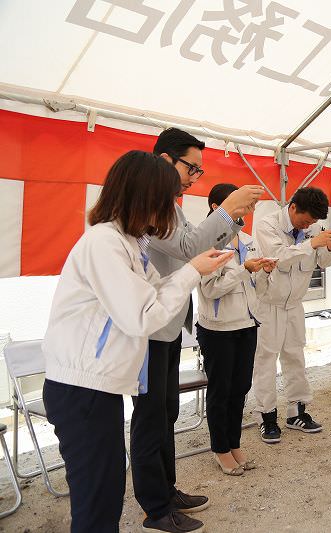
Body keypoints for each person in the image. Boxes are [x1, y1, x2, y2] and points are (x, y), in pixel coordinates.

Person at [42, 151, 232, 533]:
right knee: (98, 499)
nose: (167, 212)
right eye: (163, 202)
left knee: (107, 490)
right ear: (142, 197)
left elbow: (156, 292)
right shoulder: (104, 243)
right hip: (81, 388)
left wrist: (193, 270)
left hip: (99, 385)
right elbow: (144, 315)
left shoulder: (129, 243)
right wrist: (192, 271)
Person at [131, 128, 263, 533]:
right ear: (165, 160)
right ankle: (155, 507)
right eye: (191, 167)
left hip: (169, 325)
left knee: (167, 412)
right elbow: (189, 248)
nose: (194, 177)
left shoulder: (170, 204)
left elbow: (193, 245)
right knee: (151, 417)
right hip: (150, 328)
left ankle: (167, 490)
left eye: (199, 170)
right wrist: (226, 212)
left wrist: (229, 219)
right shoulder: (150, 205)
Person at [195, 184, 276, 476]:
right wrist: (246, 270)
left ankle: (234, 443)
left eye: (249, 208)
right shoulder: (206, 243)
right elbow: (211, 289)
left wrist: (264, 272)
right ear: (219, 208)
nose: (248, 213)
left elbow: (255, 288)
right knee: (221, 390)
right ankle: (220, 449)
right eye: (243, 206)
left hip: (247, 323)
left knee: (241, 388)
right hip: (218, 329)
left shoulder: (247, 240)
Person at [251, 187, 331, 442]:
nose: (310, 225)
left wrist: (330, 248)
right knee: (266, 360)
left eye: (313, 223)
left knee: (295, 356)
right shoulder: (267, 225)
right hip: (268, 304)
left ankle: (296, 411)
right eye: (306, 220)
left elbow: (323, 262)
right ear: (292, 208)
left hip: (294, 306)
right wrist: (312, 243)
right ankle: (266, 415)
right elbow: (279, 258)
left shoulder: (312, 230)